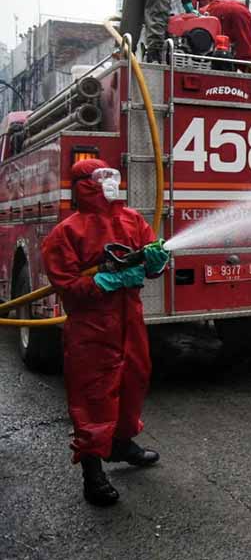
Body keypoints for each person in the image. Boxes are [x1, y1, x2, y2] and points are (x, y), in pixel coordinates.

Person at [41, 159, 170, 507]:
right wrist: (103, 280)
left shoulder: (132, 220)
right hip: (91, 327)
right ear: (84, 185)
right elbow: (65, 284)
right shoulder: (67, 232)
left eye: (112, 176)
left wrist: (156, 261)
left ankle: (122, 443)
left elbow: (147, 261)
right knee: (94, 395)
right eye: (101, 178)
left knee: (133, 381)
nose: (110, 182)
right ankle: (92, 471)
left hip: (131, 321)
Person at [203, 0, 251, 65]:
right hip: (241, 10)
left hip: (218, 8)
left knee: (218, 44)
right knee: (244, 45)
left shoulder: (201, 14)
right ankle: (249, 67)